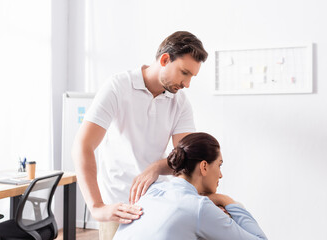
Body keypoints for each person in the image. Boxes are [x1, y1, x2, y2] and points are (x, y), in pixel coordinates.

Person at [72, 31, 208, 240]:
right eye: (184, 73)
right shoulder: (118, 87)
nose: (187, 84)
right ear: (164, 59)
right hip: (118, 207)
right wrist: (97, 207)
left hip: (156, 205)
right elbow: (83, 146)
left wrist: (155, 168)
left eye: (191, 77)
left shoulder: (180, 103)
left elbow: (186, 158)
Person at [113, 132, 268, 240]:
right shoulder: (199, 207)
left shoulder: (153, 190)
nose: (220, 175)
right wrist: (225, 199)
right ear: (204, 167)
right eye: (219, 165)